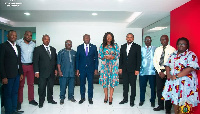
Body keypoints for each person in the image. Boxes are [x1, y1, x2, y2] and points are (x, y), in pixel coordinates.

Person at [162, 37, 199, 114]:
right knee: (175, 100)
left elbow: (190, 68)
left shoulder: (191, 55)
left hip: (185, 85)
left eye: (183, 44)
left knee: (185, 102)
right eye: (179, 44)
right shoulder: (173, 54)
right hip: (173, 83)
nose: (181, 45)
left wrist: (177, 76)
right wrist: (168, 74)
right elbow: (167, 64)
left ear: (187, 45)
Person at [0, 30, 24, 114]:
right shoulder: (3, 46)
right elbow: (1, 62)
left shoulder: (17, 47)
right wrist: (3, 76)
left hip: (17, 74)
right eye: (12, 35)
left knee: (15, 92)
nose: (14, 36)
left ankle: (14, 110)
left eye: (15, 35)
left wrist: (21, 73)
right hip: (8, 75)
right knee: (8, 94)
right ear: (7, 36)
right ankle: (8, 111)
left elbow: (19, 61)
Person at [33, 34, 57, 108]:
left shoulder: (53, 49)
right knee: (42, 88)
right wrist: (36, 71)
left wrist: (55, 69)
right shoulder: (38, 49)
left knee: (50, 87)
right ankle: (41, 102)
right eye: (45, 39)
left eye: (48, 39)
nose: (47, 40)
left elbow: (55, 60)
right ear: (42, 40)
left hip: (51, 72)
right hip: (42, 73)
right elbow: (35, 61)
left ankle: (50, 99)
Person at [153, 35, 175, 114]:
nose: (163, 41)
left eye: (165, 39)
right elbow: (155, 61)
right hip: (159, 72)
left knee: (168, 90)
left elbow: (173, 63)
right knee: (159, 90)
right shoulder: (157, 49)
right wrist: (159, 71)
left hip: (168, 73)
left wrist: (165, 73)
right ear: (160, 41)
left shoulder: (172, 50)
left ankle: (168, 108)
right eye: (162, 40)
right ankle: (160, 105)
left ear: (168, 39)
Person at [16, 31, 38, 110]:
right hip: (22, 66)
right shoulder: (18, 42)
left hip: (31, 66)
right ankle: (19, 101)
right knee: (21, 84)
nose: (29, 36)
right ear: (24, 35)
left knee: (31, 84)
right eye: (27, 35)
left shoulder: (33, 44)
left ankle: (31, 99)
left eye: (30, 35)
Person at [119, 33, 141, 107]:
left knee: (133, 86)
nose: (129, 39)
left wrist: (137, 69)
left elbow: (139, 59)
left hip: (133, 70)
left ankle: (132, 100)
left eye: (131, 37)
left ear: (133, 38)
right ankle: (125, 99)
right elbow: (121, 58)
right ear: (126, 38)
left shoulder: (137, 47)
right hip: (124, 69)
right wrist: (120, 67)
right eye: (128, 37)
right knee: (125, 85)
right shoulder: (123, 46)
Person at [76, 34, 98, 104]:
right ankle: (82, 98)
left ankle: (90, 98)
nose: (87, 39)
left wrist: (96, 68)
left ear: (90, 39)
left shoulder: (94, 47)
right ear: (83, 39)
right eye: (85, 38)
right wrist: (77, 69)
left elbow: (96, 59)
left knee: (90, 84)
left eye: (88, 38)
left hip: (90, 69)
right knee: (82, 84)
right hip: (82, 69)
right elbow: (77, 59)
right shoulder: (79, 47)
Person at [98, 32, 120, 105]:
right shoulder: (102, 46)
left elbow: (118, 55)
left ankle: (111, 97)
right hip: (105, 66)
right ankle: (106, 96)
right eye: (108, 37)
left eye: (110, 37)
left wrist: (112, 57)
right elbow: (100, 55)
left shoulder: (115, 45)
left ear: (112, 38)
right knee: (105, 81)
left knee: (112, 81)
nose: (109, 38)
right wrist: (105, 57)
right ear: (105, 37)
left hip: (113, 66)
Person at [139, 36, 156, 107]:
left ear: (151, 40)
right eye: (146, 40)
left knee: (153, 87)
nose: (147, 41)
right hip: (143, 72)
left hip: (152, 72)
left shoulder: (155, 48)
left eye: (149, 39)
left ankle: (152, 100)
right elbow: (138, 59)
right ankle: (142, 100)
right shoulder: (141, 49)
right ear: (144, 41)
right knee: (142, 87)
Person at [57, 40, 76, 105]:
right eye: (67, 43)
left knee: (71, 86)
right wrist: (59, 71)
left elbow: (76, 63)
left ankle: (71, 97)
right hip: (64, 73)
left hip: (72, 73)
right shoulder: (61, 52)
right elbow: (58, 63)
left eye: (70, 43)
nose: (69, 44)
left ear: (71, 44)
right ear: (65, 44)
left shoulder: (74, 52)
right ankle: (62, 98)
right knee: (63, 86)